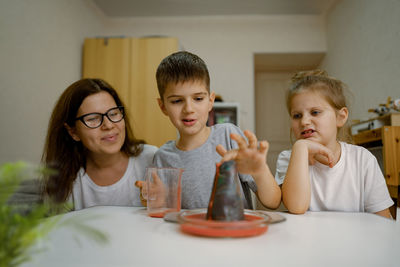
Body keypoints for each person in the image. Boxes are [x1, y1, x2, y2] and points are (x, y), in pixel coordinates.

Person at [142, 51, 281, 210]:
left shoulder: (230, 137)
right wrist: (155, 200)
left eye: (198, 99)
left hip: (234, 233)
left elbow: (273, 202)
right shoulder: (162, 157)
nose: (189, 109)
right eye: (177, 101)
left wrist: (259, 171)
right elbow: (163, 212)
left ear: (210, 101)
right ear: (162, 106)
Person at [275, 70, 393, 218]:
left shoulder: (363, 160)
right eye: (297, 115)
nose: (304, 121)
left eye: (315, 112)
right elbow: (296, 207)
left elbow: (383, 218)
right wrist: (300, 148)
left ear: (340, 117)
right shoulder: (288, 158)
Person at [42, 78, 157, 210]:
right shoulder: (63, 180)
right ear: (73, 131)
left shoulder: (152, 159)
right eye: (93, 119)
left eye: (113, 114)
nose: (108, 125)